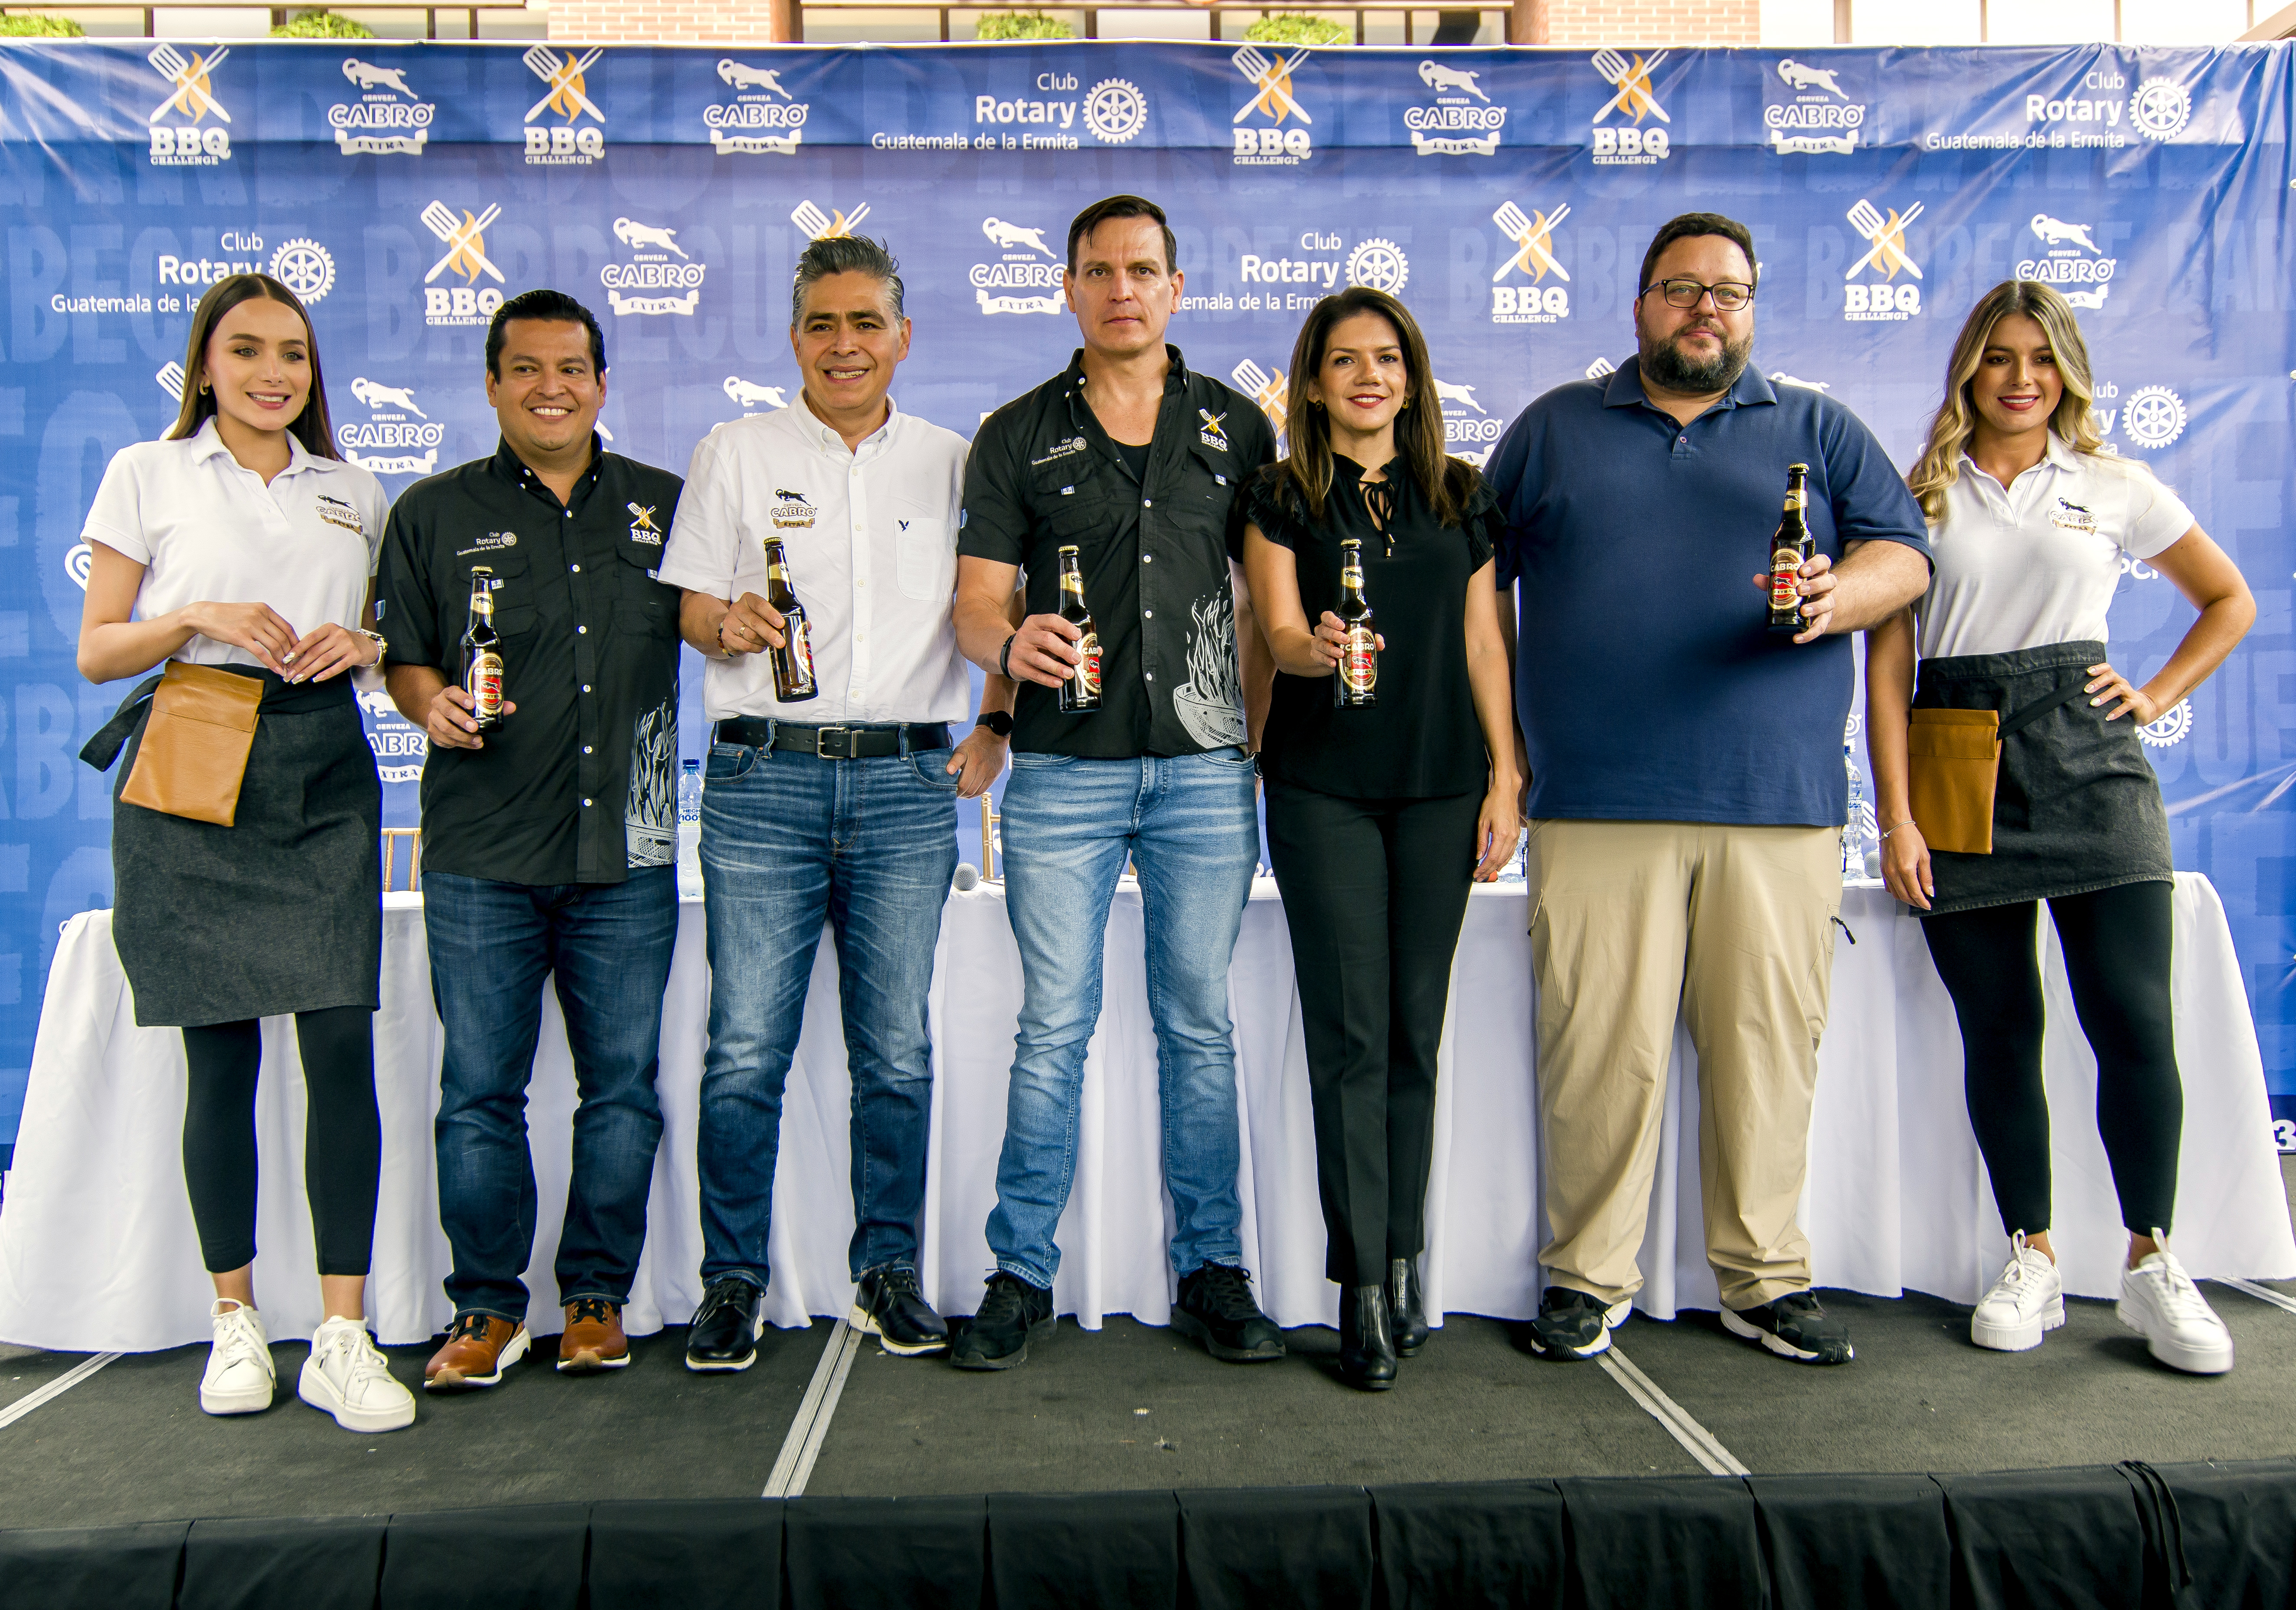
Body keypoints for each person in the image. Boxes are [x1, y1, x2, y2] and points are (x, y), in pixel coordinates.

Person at [1485, 212, 1933, 1367]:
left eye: (1727, 292)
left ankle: (1764, 1279)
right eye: (1680, 290)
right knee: (1597, 1053)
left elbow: (1906, 554)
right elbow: (1479, 587)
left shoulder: (1818, 429)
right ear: (1638, 308)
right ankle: (1586, 1278)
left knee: (1765, 1051)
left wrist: (1843, 594)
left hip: (1775, 802)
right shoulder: (1552, 432)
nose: (1704, 309)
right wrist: (1504, 757)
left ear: (1753, 307)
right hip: (1593, 801)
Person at [1865, 281, 2254, 1374]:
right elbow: (1886, 665)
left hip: (2093, 768)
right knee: (2000, 1029)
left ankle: (2149, 1260)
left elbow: (2227, 598)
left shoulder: (2111, 485)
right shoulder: (1921, 496)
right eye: (1997, 357)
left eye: (2039, 356)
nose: (2020, 376)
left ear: (2067, 370)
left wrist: (2158, 692)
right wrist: (1895, 816)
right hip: (1955, 761)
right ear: (1967, 372)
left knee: (2132, 1019)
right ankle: (2029, 1251)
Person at [656, 236, 1012, 1372]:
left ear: (902, 337)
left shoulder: (958, 463)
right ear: (795, 337)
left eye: (866, 323)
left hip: (910, 786)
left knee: (896, 1053)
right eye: (822, 324)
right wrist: (728, 627)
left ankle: (887, 1272)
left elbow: (993, 607)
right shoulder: (735, 450)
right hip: (763, 783)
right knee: (744, 1053)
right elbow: (693, 610)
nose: (844, 344)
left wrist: (997, 720)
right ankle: (731, 1282)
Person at [75, 273, 413, 1434]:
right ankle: (234, 1322)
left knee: (338, 1045)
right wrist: (199, 618)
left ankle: (341, 1334)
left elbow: (391, 647)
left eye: (296, 355)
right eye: (248, 350)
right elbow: (98, 651)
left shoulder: (356, 491)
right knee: (218, 1058)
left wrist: (364, 642)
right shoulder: (148, 473)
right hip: (195, 746)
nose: (276, 372)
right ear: (204, 364)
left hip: (321, 761)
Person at [948, 194, 1281, 1370]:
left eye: (1143, 269)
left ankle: (1212, 1272)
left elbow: (1267, 607)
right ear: (1071, 290)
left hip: (1202, 776)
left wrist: (1254, 735)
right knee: (1054, 1029)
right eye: (1098, 270)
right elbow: (979, 601)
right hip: (1062, 774)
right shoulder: (1016, 433)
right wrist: (1004, 648)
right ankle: (1019, 1274)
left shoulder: (1240, 427)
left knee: (1199, 1026)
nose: (1121, 289)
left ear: (1176, 289)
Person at [377, 290, 685, 1391]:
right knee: (478, 1092)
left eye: (571, 368)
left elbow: (730, 626)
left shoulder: (665, 505)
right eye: (526, 369)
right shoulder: (430, 511)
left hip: (628, 855)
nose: (550, 386)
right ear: (493, 382)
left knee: (622, 1089)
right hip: (481, 851)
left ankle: (597, 1298)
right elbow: (403, 655)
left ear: (603, 382)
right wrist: (425, 704)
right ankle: (485, 1308)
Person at [1238, 287, 1522, 1391]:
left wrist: (1505, 774)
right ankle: (1357, 1282)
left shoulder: (1458, 494)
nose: (1368, 376)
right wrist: (1315, 647)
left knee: (1413, 1031)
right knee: (1350, 1036)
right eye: (1345, 360)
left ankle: (1406, 1257)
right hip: (1322, 790)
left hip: (1444, 787)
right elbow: (1273, 630)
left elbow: (1483, 645)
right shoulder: (1277, 493)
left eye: (1388, 358)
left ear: (1413, 376)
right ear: (1311, 382)